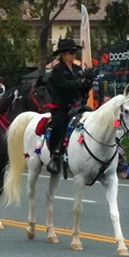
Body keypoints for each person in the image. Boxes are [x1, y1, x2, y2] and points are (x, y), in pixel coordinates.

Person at [42, 38, 88, 175]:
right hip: (61, 106)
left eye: (74, 52)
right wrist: (80, 81)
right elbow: (64, 86)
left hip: (77, 104)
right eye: (70, 52)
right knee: (59, 126)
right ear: (63, 54)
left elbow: (82, 88)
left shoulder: (78, 69)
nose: (73, 55)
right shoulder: (57, 70)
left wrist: (88, 82)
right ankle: (55, 155)